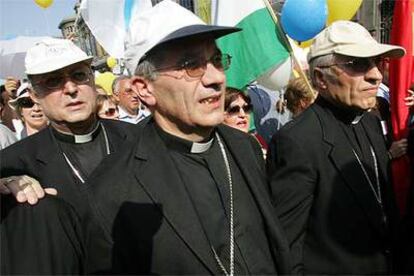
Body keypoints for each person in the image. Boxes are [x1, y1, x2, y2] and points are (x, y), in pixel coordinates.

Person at [86, 1, 291, 274]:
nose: (216, 77)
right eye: (191, 65)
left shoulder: (245, 147)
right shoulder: (113, 190)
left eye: (217, 60)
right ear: (144, 89)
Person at [266, 20, 405, 274]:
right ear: (320, 78)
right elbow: (285, 247)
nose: (375, 75)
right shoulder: (297, 141)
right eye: (358, 64)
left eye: (377, 63)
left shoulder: (370, 124)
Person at [0, 38, 141, 274]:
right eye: (54, 81)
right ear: (35, 95)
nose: (71, 88)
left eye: (78, 75)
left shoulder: (140, 140)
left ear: (92, 79)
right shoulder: (12, 164)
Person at [223, 87, 268, 155]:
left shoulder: (257, 142)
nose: (243, 115)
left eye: (246, 108)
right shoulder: (216, 150)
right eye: (234, 110)